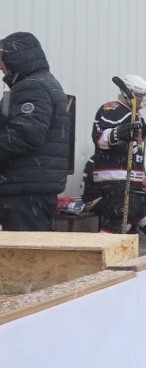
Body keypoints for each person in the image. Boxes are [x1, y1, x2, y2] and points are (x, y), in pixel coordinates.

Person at [0, 32, 70, 231]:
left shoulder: (31, 87)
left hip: (23, 190)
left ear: (15, 57)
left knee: (23, 255)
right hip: (33, 188)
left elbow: (26, 134)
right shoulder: (44, 84)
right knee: (34, 250)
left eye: (2, 60)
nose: (0, 67)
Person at [90, 74, 146, 245]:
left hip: (131, 175)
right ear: (128, 93)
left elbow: (142, 132)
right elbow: (99, 138)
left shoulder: (134, 113)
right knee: (117, 218)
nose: (142, 99)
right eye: (139, 94)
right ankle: (102, 249)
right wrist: (119, 133)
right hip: (115, 175)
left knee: (135, 208)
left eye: (143, 95)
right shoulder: (111, 109)